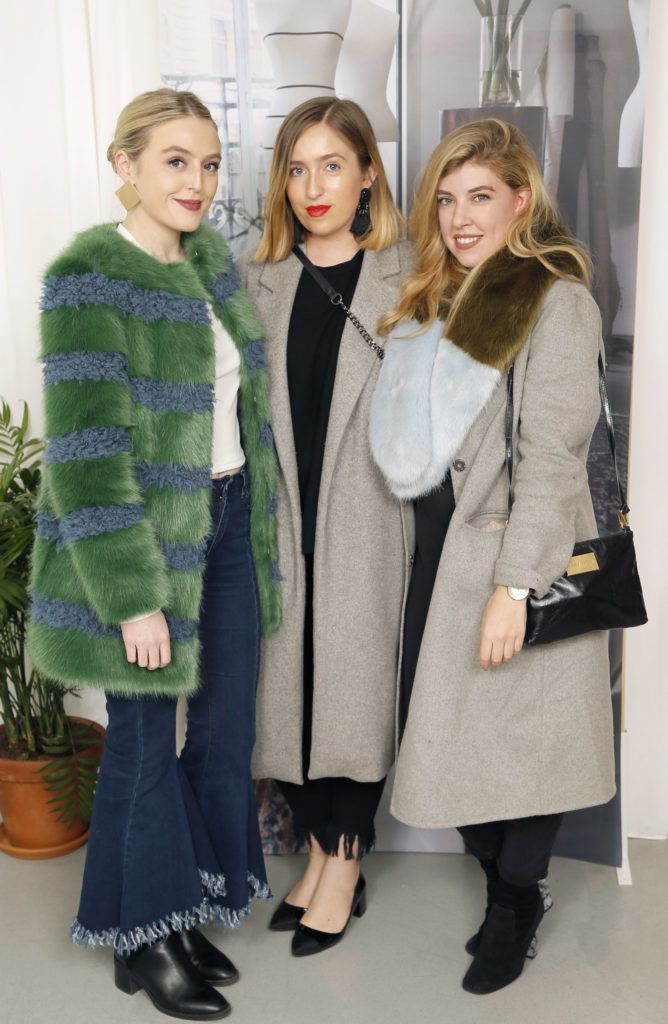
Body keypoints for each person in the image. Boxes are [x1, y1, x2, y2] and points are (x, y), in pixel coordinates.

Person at [27, 88, 281, 1021]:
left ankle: (181, 912)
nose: (199, 183)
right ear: (125, 163)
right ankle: (141, 940)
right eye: (176, 160)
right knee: (140, 744)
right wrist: (134, 598)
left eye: (210, 163)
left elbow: (238, 415)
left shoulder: (211, 263)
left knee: (220, 733)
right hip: (139, 540)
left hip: (226, 520)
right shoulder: (90, 277)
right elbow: (87, 460)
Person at [370, 118, 615, 994]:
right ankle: (504, 881)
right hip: (433, 559)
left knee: (527, 748)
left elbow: (552, 456)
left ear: (522, 200)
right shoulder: (430, 302)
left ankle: (516, 903)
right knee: (445, 742)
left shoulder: (552, 298)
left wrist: (516, 586)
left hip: (512, 559)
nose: (462, 218)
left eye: (482, 197)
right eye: (446, 199)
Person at [237, 97, 413, 956]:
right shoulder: (254, 279)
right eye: (297, 168)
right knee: (287, 695)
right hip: (278, 522)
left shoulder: (411, 279)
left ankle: (343, 869)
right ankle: (318, 859)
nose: (313, 186)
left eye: (332, 166)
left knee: (351, 695)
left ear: (368, 174)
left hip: (372, 523)